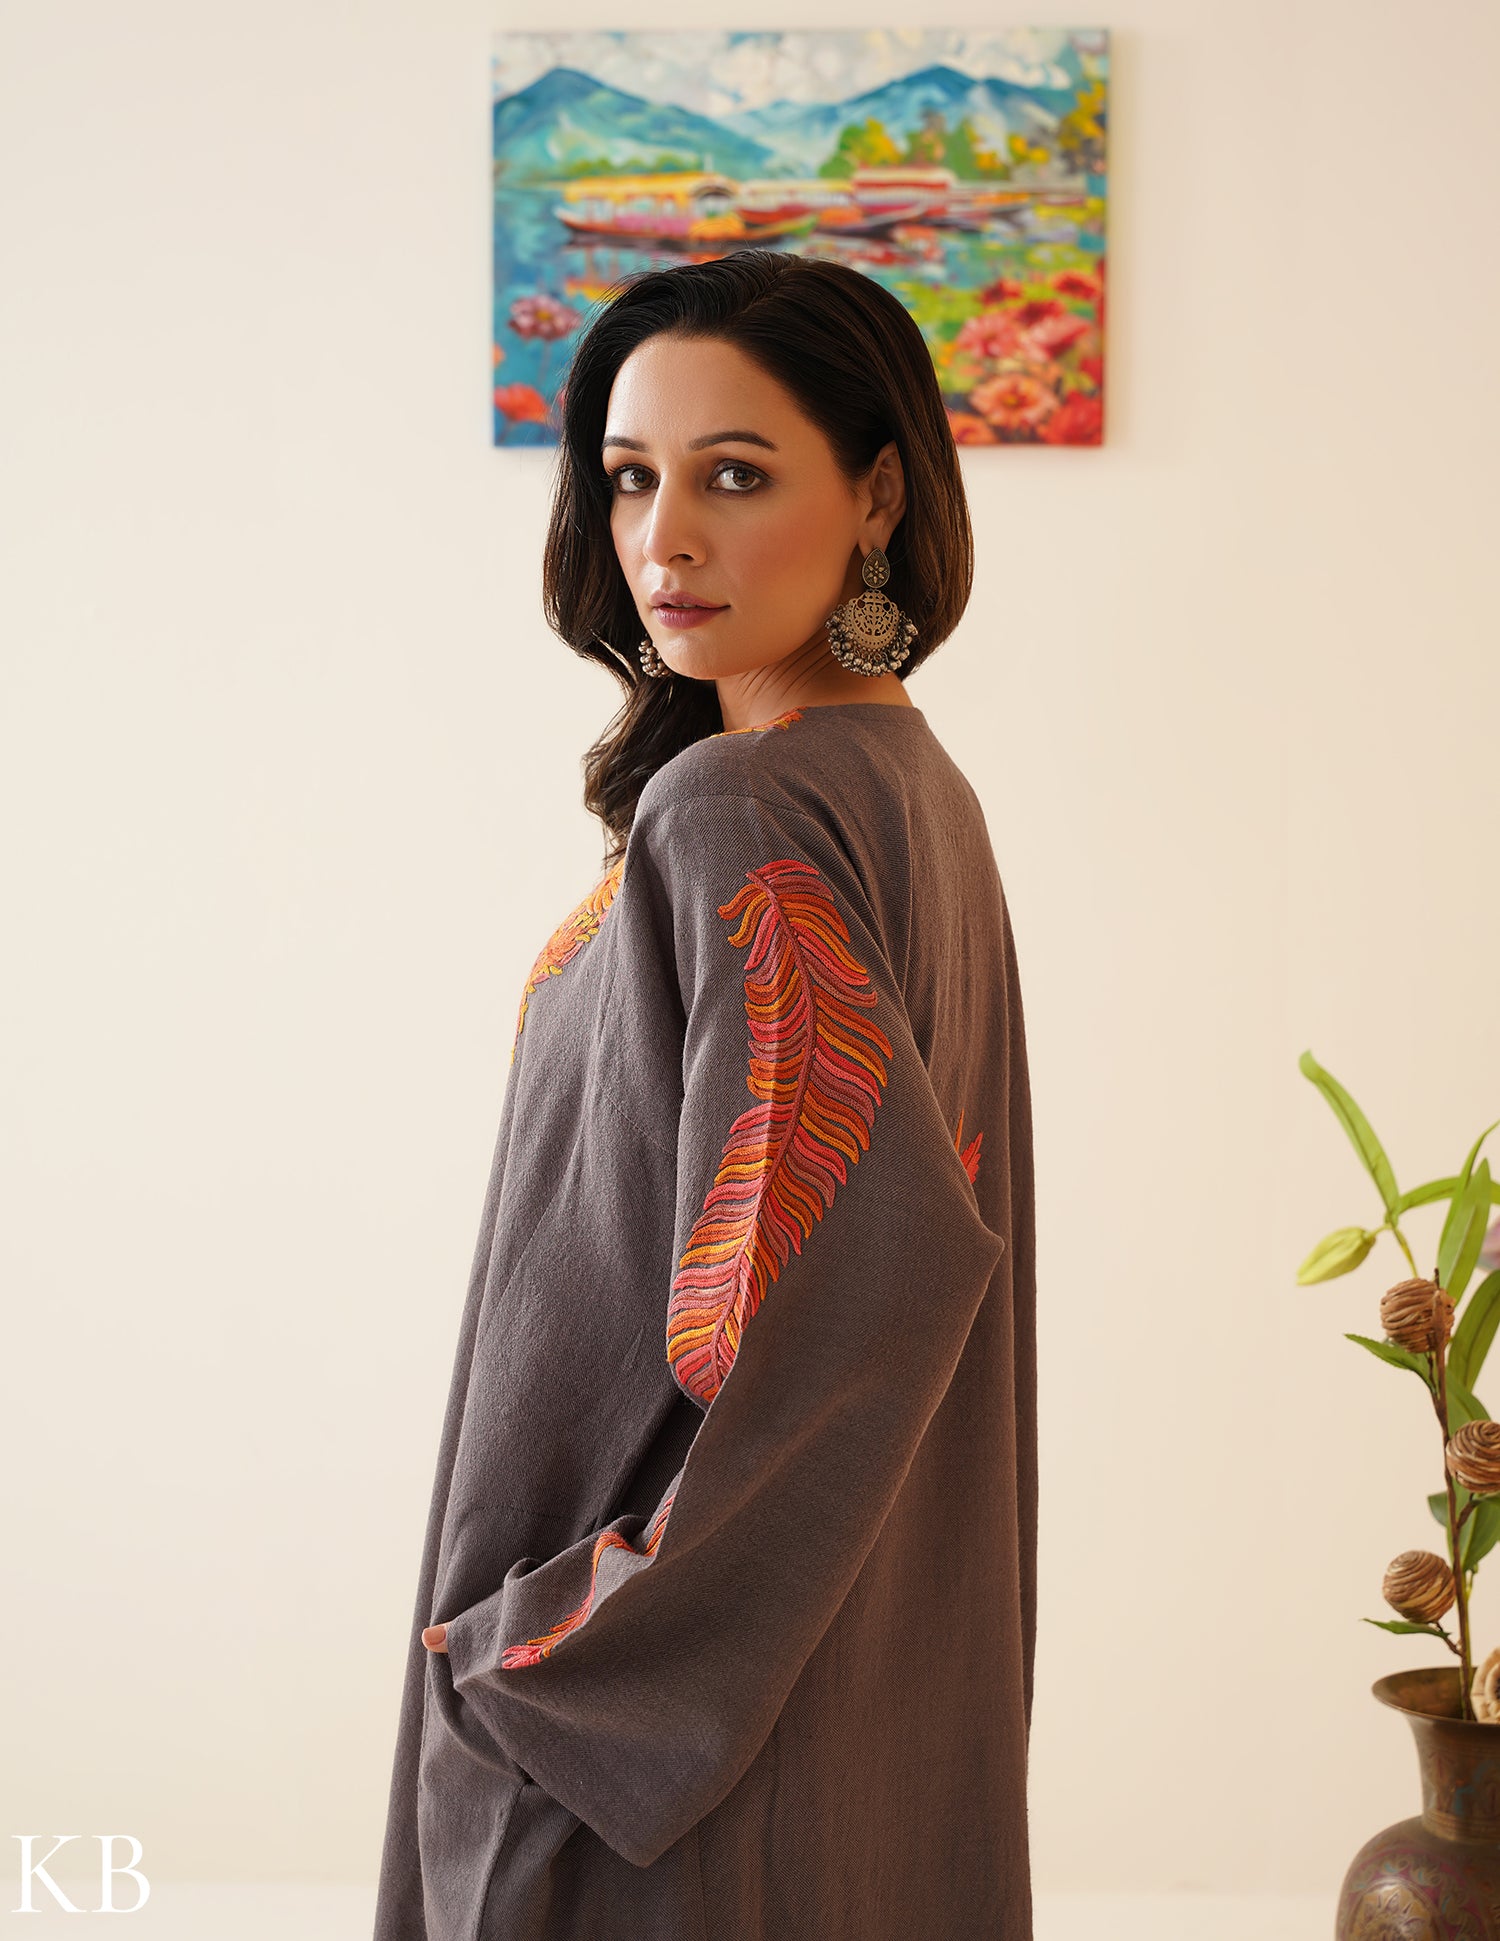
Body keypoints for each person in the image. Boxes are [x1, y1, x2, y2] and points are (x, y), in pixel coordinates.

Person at [372, 250, 1037, 1940]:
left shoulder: (743, 804)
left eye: (734, 475)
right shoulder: (911, 783)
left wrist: (573, 1665)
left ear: (877, 493)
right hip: (841, 1683)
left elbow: (851, 1286)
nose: (664, 536)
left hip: (665, 1759)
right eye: (630, 477)